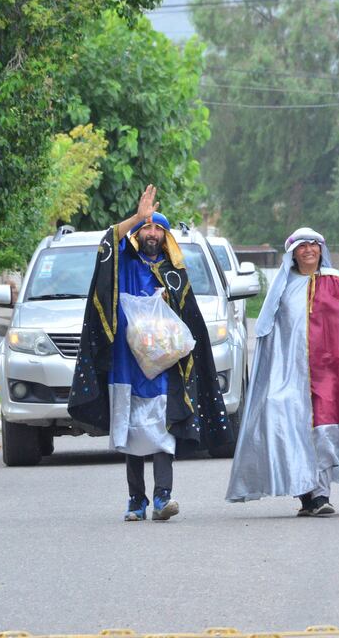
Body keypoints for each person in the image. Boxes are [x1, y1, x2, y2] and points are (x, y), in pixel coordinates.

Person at [68, 185, 233, 522]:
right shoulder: (124, 262)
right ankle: (135, 500)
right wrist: (136, 217)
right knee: (130, 429)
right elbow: (108, 242)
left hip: (163, 367)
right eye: (147, 227)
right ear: (138, 233)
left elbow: (189, 321)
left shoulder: (175, 275)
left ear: (167, 236)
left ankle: (162, 498)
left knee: (162, 427)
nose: (152, 233)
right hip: (126, 365)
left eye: (158, 227)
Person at [226, 227, 339, 515]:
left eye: (314, 245)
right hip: (290, 374)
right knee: (289, 425)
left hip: (332, 373)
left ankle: (319, 497)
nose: (309, 250)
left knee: (320, 430)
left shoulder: (337, 282)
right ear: (293, 253)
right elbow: (268, 331)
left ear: (321, 250)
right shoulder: (283, 287)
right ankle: (306, 494)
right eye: (303, 246)